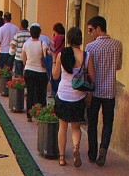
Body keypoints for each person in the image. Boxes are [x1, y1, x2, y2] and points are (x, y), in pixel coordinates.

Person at [52, 26, 94, 167]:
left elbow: (55, 75)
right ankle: (76, 148)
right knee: (76, 127)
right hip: (78, 96)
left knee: (62, 127)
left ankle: (62, 158)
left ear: (68, 39)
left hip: (63, 94)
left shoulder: (61, 55)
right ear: (81, 39)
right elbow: (92, 78)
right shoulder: (87, 56)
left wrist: (54, 61)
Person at [85, 15, 123, 166]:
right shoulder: (117, 45)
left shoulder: (90, 47)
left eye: (90, 30)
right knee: (108, 122)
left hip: (94, 91)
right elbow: (119, 66)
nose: (89, 33)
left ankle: (92, 153)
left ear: (98, 28)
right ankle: (104, 148)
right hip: (109, 91)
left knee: (92, 122)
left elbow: (87, 69)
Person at [21, 24, 49, 120]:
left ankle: (29, 115)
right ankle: (41, 114)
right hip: (41, 71)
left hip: (29, 70)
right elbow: (46, 56)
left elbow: (23, 58)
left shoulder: (26, 44)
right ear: (39, 33)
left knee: (30, 93)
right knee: (41, 94)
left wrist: (27, 64)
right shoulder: (43, 43)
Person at [50, 22, 65, 96]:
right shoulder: (64, 37)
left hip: (55, 57)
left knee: (54, 75)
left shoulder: (56, 38)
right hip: (63, 57)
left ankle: (54, 91)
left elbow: (52, 48)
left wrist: (53, 38)